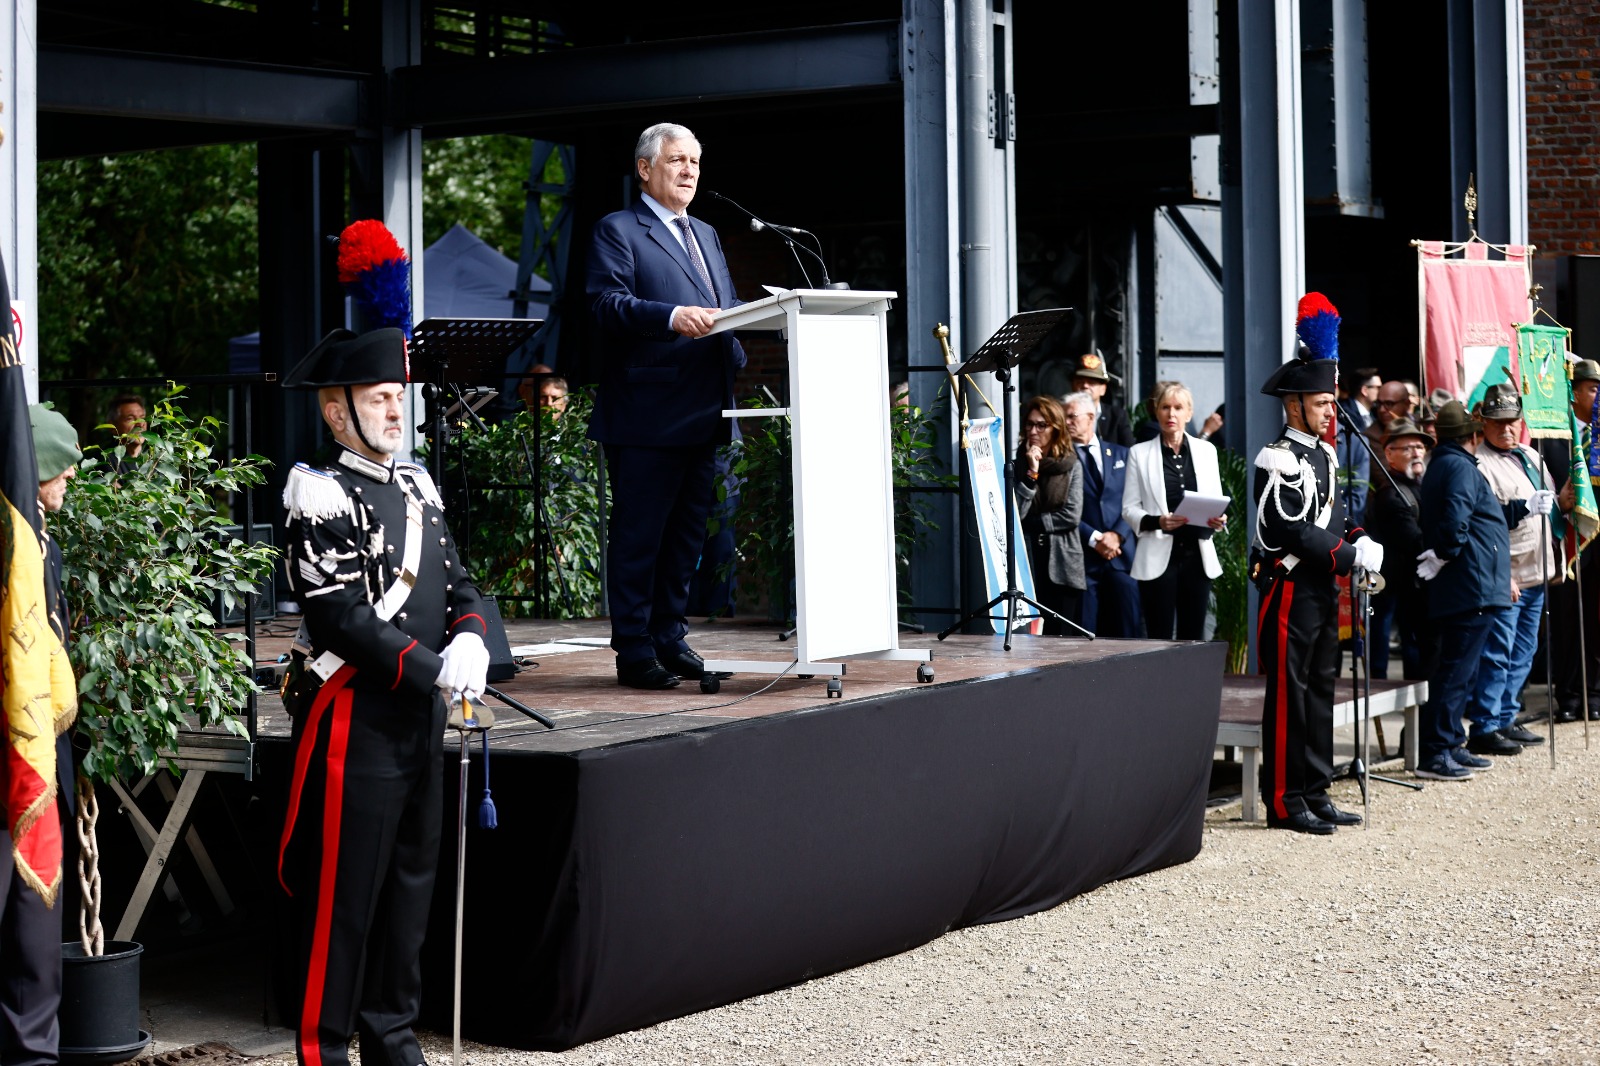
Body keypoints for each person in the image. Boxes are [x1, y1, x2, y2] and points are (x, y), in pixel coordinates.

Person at [275, 327, 492, 1066]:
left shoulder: (418, 487)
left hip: (417, 716)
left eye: (399, 396)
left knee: (409, 889)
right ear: (337, 412)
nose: (397, 411)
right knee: (345, 899)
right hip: (356, 717)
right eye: (379, 399)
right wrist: (432, 668)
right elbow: (340, 615)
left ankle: (393, 1039)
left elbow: (461, 586)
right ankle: (323, 1050)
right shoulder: (320, 491)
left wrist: (472, 638)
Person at [587, 121, 745, 690]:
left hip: (705, 408)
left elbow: (724, 304)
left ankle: (669, 638)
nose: (689, 171)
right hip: (647, 414)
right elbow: (606, 304)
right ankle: (634, 649)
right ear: (645, 168)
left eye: (695, 162)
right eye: (677, 160)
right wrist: (671, 316)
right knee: (641, 539)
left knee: (686, 538)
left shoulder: (706, 232)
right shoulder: (619, 229)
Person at [1251, 347, 1383, 834]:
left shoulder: (1324, 453)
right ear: (1295, 405)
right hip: (1290, 587)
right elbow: (1290, 528)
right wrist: (1348, 555)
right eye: (1323, 402)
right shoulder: (1278, 457)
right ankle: (1285, 801)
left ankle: (1315, 789)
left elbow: (1334, 516)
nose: (1332, 411)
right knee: (1290, 695)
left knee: (1322, 688)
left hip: (1322, 586)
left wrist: (1360, 537)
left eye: (1331, 401)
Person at [2, 405, 82, 1066]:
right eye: (63, 463)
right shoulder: (13, 541)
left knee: (33, 933)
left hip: (39, 757)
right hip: (11, 756)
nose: (70, 477)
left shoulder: (41, 540)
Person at [1414, 401, 1553, 781]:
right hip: (1471, 583)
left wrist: (1523, 507)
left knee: (1461, 671)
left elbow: (1480, 516)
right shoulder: (1459, 466)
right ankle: (1437, 751)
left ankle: (1450, 743)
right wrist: (1444, 553)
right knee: (1455, 673)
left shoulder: (1452, 464)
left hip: (1473, 582)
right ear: (1473, 435)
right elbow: (1457, 519)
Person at [1465, 383, 1558, 754]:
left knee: (1524, 651)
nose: (1506, 428)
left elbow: (1548, 504)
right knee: (1497, 652)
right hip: (1509, 573)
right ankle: (1485, 725)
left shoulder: (1530, 455)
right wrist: (1501, 575)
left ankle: (1506, 716)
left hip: (1537, 568)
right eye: (1498, 422)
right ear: (1484, 423)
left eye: (1512, 421)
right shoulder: (1480, 464)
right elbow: (1483, 525)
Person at [1123, 382, 1225, 640]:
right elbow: (1129, 509)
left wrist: (1219, 519)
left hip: (1197, 557)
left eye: (1178, 408)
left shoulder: (1207, 451)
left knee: (1193, 637)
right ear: (1156, 412)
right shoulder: (1139, 454)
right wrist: (1158, 521)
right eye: (1165, 407)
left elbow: (1215, 499)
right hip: (1157, 555)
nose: (1171, 414)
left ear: (1189, 413)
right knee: (1158, 638)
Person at [1540, 357, 1600, 723]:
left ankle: (1594, 692)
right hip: (1567, 539)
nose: (1598, 396)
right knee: (1566, 621)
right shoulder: (1554, 436)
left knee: (1596, 620)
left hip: (1598, 537)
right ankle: (1568, 696)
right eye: (1593, 389)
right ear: (1574, 393)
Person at [1061, 390, 1141, 637]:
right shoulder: (1061, 460)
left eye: (1072, 416)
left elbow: (1137, 500)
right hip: (1084, 559)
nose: (1067, 422)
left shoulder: (1121, 454)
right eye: (1065, 417)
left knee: (1129, 632)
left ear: (1091, 417)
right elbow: (1060, 507)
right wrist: (1095, 538)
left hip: (1122, 555)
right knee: (1085, 635)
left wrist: (1117, 535)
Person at [1363, 418, 1438, 681]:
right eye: (1407, 448)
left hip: (1416, 586)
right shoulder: (1391, 494)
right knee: (1405, 642)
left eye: (1419, 447)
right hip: (1399, 584)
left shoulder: (1423, 485)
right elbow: (1415, 541)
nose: (1416, 453)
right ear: (1389, 455)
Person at [1014, 396, 1084, 634]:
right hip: (1029, 558)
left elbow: (1071, 515)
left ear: (1056, 428)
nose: (1034, 431)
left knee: (1062, 637)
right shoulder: (1018, 466)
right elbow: (1016, 514)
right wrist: (1032, 473)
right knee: (1028, 637)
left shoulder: (1071, 465)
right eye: (1030, 424)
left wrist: (1034, 523)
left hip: (1063, 561)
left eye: (1041, 425)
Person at [1336, 368, 1380, 523]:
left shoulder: (1374, 416)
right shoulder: (1344, 415)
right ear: (1365, 390)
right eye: (1377, 388)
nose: (1380, 392)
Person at [1069, 352, 1134, 448]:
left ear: (1103, 389)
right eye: (1080, 381)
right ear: (1072, 385)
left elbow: (1129, 450)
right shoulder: (1061, 416)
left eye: (1091, 382)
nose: (1085, 385)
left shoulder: (1117, 416)